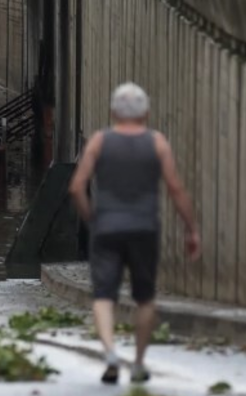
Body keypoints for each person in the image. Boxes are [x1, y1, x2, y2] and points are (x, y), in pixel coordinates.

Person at [69, 82, 201, 386]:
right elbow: (176, 188)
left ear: (113, 111)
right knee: (144, 297)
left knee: (103, 294)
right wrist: (191, 229)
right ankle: (139, 363)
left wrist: (91, 217)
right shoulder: (157, 143)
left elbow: (76, 186)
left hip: (106, 228)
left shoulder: (99, 142)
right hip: (144, 228)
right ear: (147, 113)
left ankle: (111, 353)